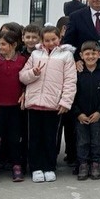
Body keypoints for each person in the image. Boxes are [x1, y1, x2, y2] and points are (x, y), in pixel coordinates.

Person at [20, 25, 77, 182]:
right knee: (34, 138)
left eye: (54, 39)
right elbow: (22, 76)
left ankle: (49, 166)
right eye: (47, 40)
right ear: (42, 41)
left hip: (54, 105)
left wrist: (65, 101)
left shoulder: (66, 56)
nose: (51, 43)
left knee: (50, 138)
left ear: (59, 38)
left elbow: (70, 81)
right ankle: (36, 167)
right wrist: (33, 73)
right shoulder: (35, 54)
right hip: (34, 104)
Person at [0, 30, 28, 183]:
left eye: (4, 44)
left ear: (14, 45)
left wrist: (24, 93)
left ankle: (17, 165)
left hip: (15, 106)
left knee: (14, 138)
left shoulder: (22, 60)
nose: (0, 47)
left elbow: (26, 81)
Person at [72, 41, 100, 181]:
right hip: (81, 116)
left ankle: (95, 164)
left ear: (99, 54)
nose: (90, 56)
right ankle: (83, 164)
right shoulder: (77, 73)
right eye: (87, 54)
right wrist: (78, 113)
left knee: (96, 140)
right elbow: (71, 95)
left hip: (97, 116)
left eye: (93, 53)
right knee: (82, 141)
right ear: (81, 55)